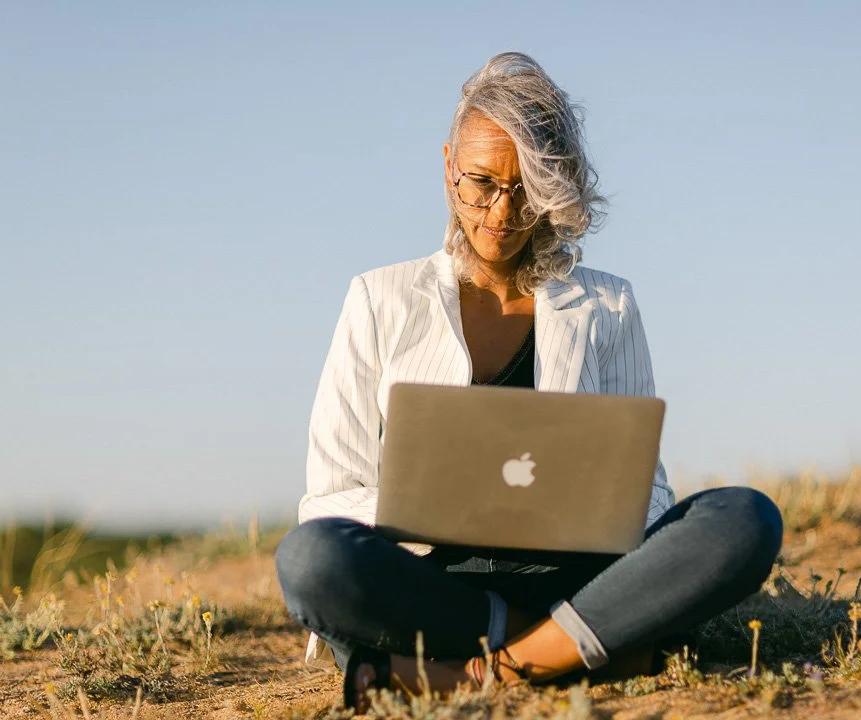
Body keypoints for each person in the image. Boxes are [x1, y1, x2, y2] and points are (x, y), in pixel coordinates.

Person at [275, 52, 783, 712]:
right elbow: (330, 498)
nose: (501, 211)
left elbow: (649, 490)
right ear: (447, 165)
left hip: (574, 579)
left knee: (744, 518)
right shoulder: (379, 298)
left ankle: (480, 670)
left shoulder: (607, 305)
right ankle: (580, 652)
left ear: (553, 188)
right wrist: (423, 508)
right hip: (435, 584)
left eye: (527, 188)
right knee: (310, 559)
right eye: (480, 183)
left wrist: (612, 518)